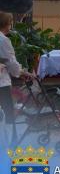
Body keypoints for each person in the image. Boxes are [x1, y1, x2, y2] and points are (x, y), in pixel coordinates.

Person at [0, 12, 35, 145]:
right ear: (7, 25)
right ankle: (8, 143)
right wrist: (22, 72)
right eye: (10, 23)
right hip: (1, 83)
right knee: (8, 113)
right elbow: (11, 63)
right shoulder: (3, 40)